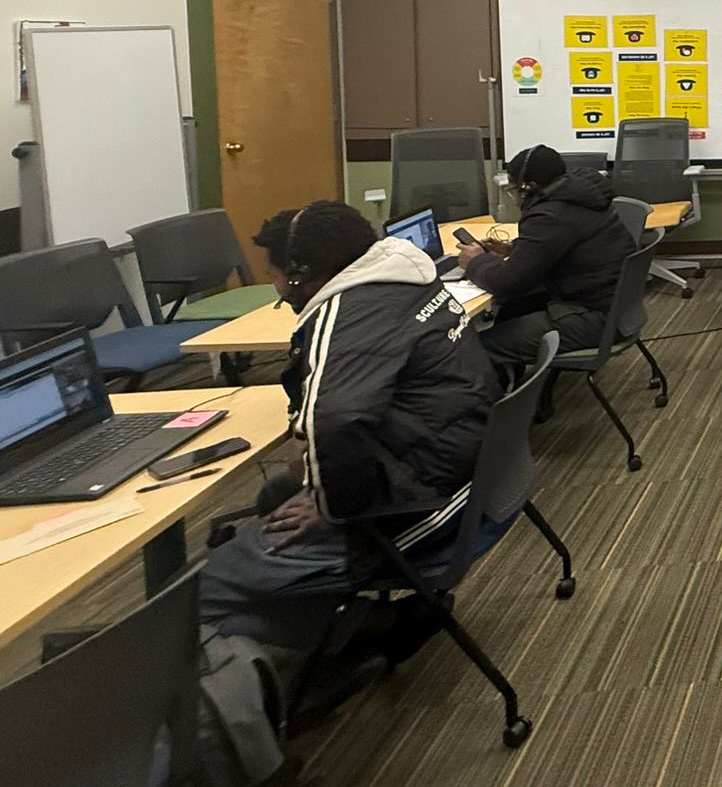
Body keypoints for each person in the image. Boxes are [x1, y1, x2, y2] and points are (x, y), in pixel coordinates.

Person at [200, 202, 497, 662]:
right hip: (471, 475)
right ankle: (352, 618)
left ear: (299, 274)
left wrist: (332, 508)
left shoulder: (348, 311)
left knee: (202, 587)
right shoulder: (410, 282)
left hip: (424, 506)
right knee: (277, 494)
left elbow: (336, 420)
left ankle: (368, 628)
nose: (276, 289)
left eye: (275, 275)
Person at [461, 143, 635, 364]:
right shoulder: (581, 195)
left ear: (529, 187)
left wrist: (476, 261)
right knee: (512, 309)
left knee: (478, 347)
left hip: (595, 317)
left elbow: (507, 283)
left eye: (514, 189)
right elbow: (562, 243)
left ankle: (505, 383)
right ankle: (511, 378)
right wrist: (514, 249)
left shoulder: (550, 215)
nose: (515, 197)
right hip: (614, 305)